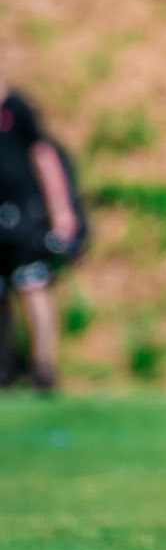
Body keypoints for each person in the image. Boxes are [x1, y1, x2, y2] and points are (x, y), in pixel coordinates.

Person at [0, 79, 83, 391]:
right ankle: (4, 368)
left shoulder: (17, 108)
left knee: (33, 284)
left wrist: (61, 210)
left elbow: (44, 156)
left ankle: (43, 367)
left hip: (25, 212)